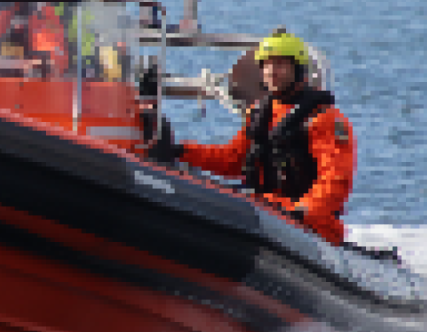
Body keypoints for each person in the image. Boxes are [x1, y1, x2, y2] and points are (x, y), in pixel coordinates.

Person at [150, 29, 356, 246]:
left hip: (310, 225)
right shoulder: (260, 114)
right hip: (266, 211)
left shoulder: (324, 119)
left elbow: (334, 180)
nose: (272, 71)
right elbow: (233, 160)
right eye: (267, 65)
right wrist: (181, 151)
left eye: (280, 65)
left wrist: (302, 212)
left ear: (298, 70)